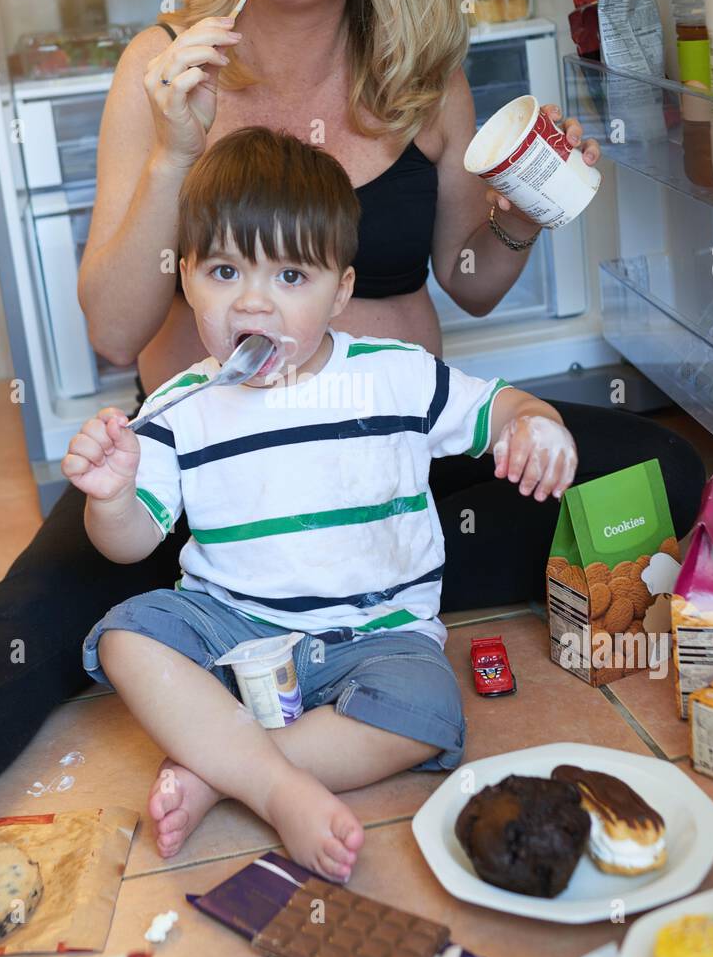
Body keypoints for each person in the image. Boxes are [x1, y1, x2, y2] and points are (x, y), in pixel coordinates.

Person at [0, 0, 704, 853]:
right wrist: (177, 150)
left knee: (659, 469)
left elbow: (464, 274)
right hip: (203, 500)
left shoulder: (420, 73)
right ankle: (294, 621)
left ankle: (335, 616)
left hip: (392, 472)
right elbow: (113, 331)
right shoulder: (164, 63)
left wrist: (523, 216)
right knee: (14, 645)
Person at [62, 127, 580, 880]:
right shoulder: (178, 406)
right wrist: (109, 497)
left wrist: (537, 426)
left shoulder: (393, 377)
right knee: (126, 639)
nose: (253, 302)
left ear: (341, 289)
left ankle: (221, 769)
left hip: (375, 632)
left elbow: (506, 407)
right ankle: (275, 787)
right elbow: (129, 544)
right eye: (224, 270)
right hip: (232, 628)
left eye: (291, 278)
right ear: (185, 277)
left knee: (426, 710)